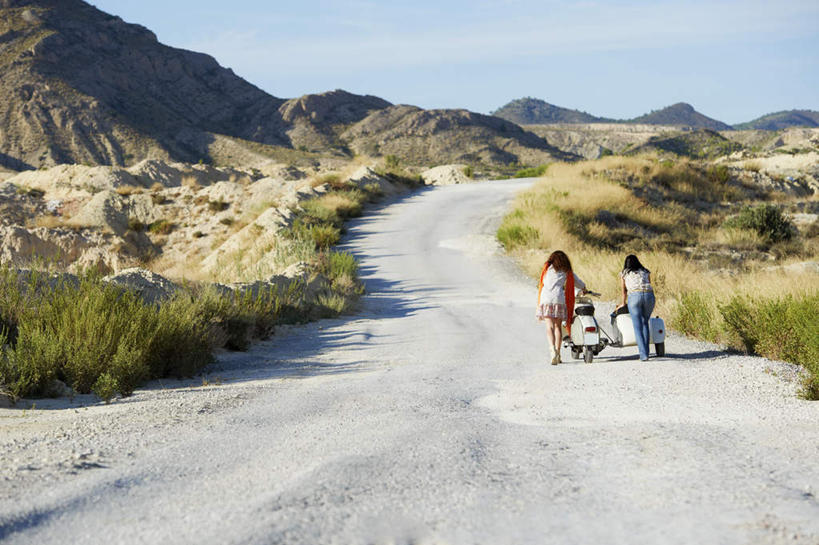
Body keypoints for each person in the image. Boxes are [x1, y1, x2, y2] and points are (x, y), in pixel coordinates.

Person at [536, 250, 586, 365]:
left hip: (546, 298)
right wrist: (584, 288)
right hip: (558, 298)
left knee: (549, 326)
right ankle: (558, 353)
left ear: (551, 259)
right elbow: (578, 282)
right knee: (558, 326)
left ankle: (552, 350)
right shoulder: (566, 270)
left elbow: (543, 282)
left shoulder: (547, 269)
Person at [616, 254, 655, 361]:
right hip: (649, 295)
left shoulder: (624, 273)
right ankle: (647, 352)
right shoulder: (646, 271)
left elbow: (624, 291)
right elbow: (649, 284)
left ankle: (643, 355)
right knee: (645, 323)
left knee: (637, 327)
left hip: (634, 296)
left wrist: (623, 303)